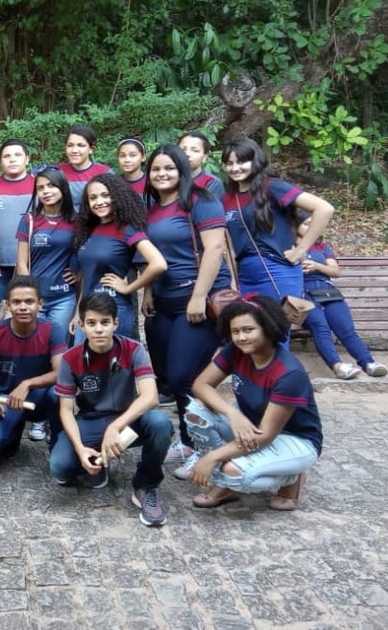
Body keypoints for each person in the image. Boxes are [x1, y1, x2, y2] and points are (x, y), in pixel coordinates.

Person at [142, 145, 233, 479]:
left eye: (169, 168)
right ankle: (187, 438)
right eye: (156, 170)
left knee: (185, 376)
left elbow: (215, 249)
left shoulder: (200, 199)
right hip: (162, 302)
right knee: (168, 376)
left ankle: (209, 446)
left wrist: (199, 296)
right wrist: (148, 291)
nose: (162, 174)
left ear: (183, 170)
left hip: (195, 303)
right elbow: (153, 254)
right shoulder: (151, 207)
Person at [186, 296, 323, 512]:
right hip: (251, 427)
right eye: (236, 331)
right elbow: (201, 385)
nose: (241, 337)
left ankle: (290, 477)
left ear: (268, 328)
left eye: (249, 330)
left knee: (235, 472)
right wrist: (233, 414)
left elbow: (264, 436)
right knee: (195, 411)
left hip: (294, 439)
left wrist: (211, 457)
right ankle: (227, 479)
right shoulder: (236, 352)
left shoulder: (288, 373)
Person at [50, 293, 174, 527]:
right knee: (60, 467)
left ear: (115, 323)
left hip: (128, 419)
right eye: (92, 323)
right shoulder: (70, 358)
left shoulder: (134, 349)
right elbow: (66, 410)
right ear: (82, 325)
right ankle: (95, 462)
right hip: (92, 419)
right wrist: (80, 447)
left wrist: (116, 427)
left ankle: (146, 485)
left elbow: (150, 397)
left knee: (160, 423)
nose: (99, 330)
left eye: (105, 322)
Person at [221, 136, 334, 302]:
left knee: (275, 325)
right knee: (249, 325)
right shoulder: (226, 199)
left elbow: (324, 209)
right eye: (229, 163)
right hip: (244, 274)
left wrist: (299, 251)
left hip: (277, 269)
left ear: (255, 161)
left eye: (241, 162)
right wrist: (232, 281)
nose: (235, 168)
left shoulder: (272, 186)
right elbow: (228, 244)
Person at [0, 276, 68, 458]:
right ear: (8, 304)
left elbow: (61, 373)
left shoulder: (52, 330)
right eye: (17, 302)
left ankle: (58, 446)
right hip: (6, 397)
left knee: (59, 393)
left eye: (29, 301)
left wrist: (27, 384)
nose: (23, 307)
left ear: (40, 304)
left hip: (40, 396)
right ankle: (14, 431)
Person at [293, 210, 388, 379]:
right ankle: (338, 367)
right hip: (301, 294)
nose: (311, 227)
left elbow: (335, 271)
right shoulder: (288, 246)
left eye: (313, 223)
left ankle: (369, 363)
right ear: (295, 225)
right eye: (306, 223)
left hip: (327, 292)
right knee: (320, 326)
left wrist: (316, 265)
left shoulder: (321, 246)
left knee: (345, 328)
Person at [73, 174, 167, 340]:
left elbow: (158, 263)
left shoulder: (127, 229)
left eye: (105, 195)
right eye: (93, 198)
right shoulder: (90, 231)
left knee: (114, 365)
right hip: (87, 312)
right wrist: (77, 312)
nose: (99, 201)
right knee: (82, 364)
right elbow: (88, 276)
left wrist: (129, 288)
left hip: (114, 310)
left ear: (117, 196)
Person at [15, 166, 79, 334]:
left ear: (63, 188)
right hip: (36, 298)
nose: (46, 191)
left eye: (51, 186)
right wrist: (29, 295)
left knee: (58, 345)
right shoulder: (29, 220)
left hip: (64, 297)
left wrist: (77, 274)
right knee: (34, 343)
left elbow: (84, 256)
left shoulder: (76, 221)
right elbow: (21, 263)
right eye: (41, 188)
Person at [0, 139, 35, 309]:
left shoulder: (38, 185)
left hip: (33, 264)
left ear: (27, 159)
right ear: (0, 161)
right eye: (7, 156)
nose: (12, 159)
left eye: (17, 155)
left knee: (29, 311)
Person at [58, 125, 111, 209]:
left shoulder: (104, 172)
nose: (74, 150)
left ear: (91, 149)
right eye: (70, 145)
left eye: (80, 145)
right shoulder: (57, 172)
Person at [178, 131, 224, 201]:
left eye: (195, 150)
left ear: (205, 157)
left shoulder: (211, 182)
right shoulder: (168, 178)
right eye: (183, 149)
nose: (187, 154)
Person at [116, 135, 148, 201]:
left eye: (133, 155)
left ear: (143, 157)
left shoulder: (151, 183)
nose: (127, 160)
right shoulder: (114, 183)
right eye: (122, 156)